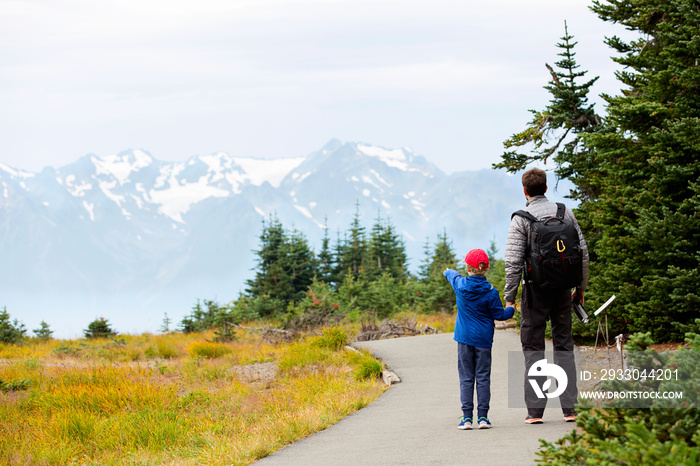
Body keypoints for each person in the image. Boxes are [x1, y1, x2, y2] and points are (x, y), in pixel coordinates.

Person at [504, 168, 589, 424]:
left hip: (535, 292)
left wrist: (510, 297)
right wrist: (580, 289)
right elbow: (583, 253)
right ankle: (570, 410)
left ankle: (535, 412)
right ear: (546, 187)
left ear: (525, 191)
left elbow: (513, 262)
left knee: (533, 349)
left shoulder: (522, 218)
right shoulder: (565, 212)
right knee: (564, 346)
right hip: (563, 291)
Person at [444, 248, 515, 430]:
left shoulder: (459, 285)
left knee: (466, 378)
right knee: (483, 377)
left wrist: (446, 271)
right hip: (484, 340)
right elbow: (500, 315)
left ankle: (466, 418)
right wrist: (512, 308)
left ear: (468, 267)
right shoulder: (491, 292)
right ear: (486, 268)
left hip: (464, 339)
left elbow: (451, 274)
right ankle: (483, 417)